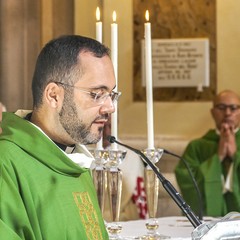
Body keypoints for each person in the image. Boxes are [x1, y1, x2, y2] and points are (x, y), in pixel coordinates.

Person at [0, 35, 121, 239]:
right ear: (54, 95)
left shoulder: (74, 160)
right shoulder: (7, 161)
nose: (110, 107)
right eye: (96, 94)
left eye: (111, 94)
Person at [175, 90, 240, 217]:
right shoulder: (197, 146)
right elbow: (186, 180)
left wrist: (235, 156)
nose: (227, 113)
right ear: (212, 112)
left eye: (233, 108)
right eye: (221, 107)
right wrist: (217, 158)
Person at [101, 117, 147, 221]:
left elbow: (138, 198)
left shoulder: (131, 156)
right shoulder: (82, 153)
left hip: (123, 219)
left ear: (117, 124)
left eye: (110, 126)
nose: (106, 132)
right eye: (102, 126)